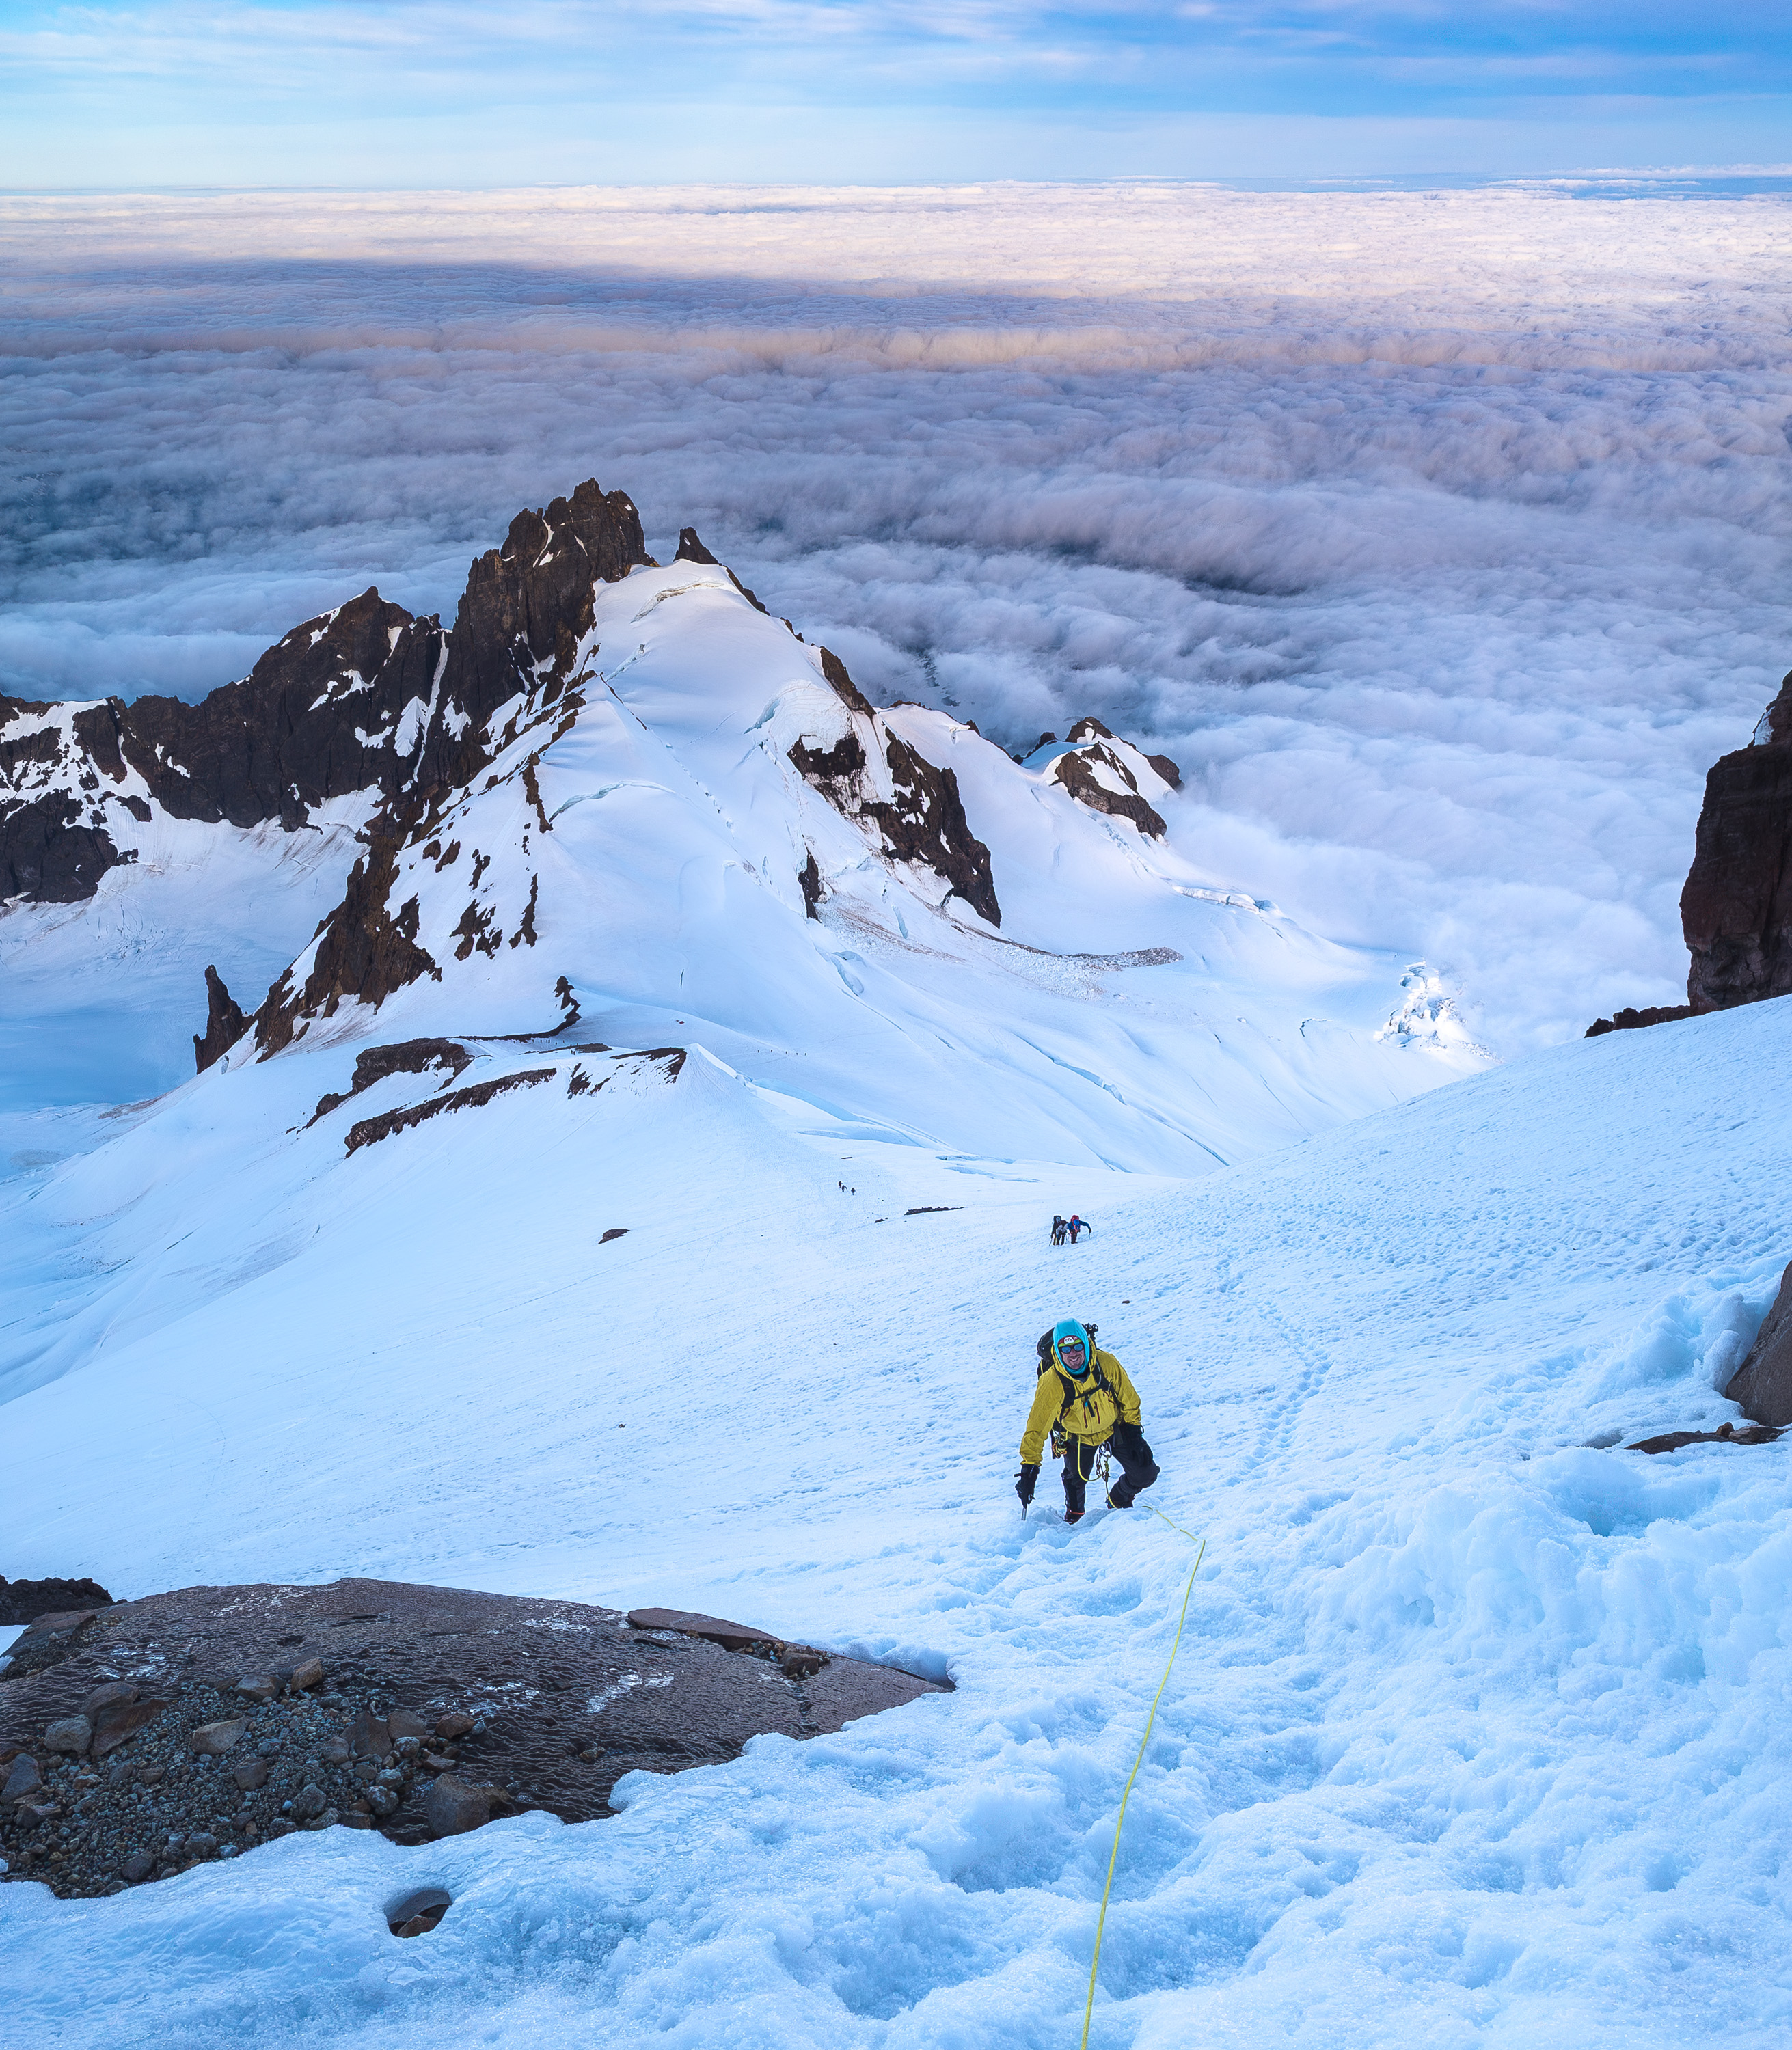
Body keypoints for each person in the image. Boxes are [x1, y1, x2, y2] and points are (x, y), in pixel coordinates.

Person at [1015, 1318, 1159, 1525]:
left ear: (1086, 1344)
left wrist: (1135, 1433)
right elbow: (1036, 1428)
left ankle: (1119, 1498)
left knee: (1146, 1473)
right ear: (1058, 1351)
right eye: (1066, 1349)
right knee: (1076, 1480)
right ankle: (1075, 1513)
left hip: (1114, 1427)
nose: (1073, 1354)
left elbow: (1129, 1399)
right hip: (1077, 1436)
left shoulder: (1106, 1363)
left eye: (1078, 1346)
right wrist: (1029, 1470)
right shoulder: (1052, 1382)